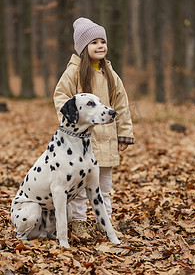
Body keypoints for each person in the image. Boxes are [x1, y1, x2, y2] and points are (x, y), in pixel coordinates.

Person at [53, 17, 134, 239]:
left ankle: (104, 222)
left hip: (106, 139)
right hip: (80, 141)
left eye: (102, 41)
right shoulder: (74, 72)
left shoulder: (110, 73)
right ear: (83, 48)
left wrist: (124, 132)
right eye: (94, 42)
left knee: (104, 186)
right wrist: (72, 118)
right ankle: (78, 221)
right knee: (79, 187)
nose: (100, 46)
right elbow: (61, 96)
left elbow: (122, 104)